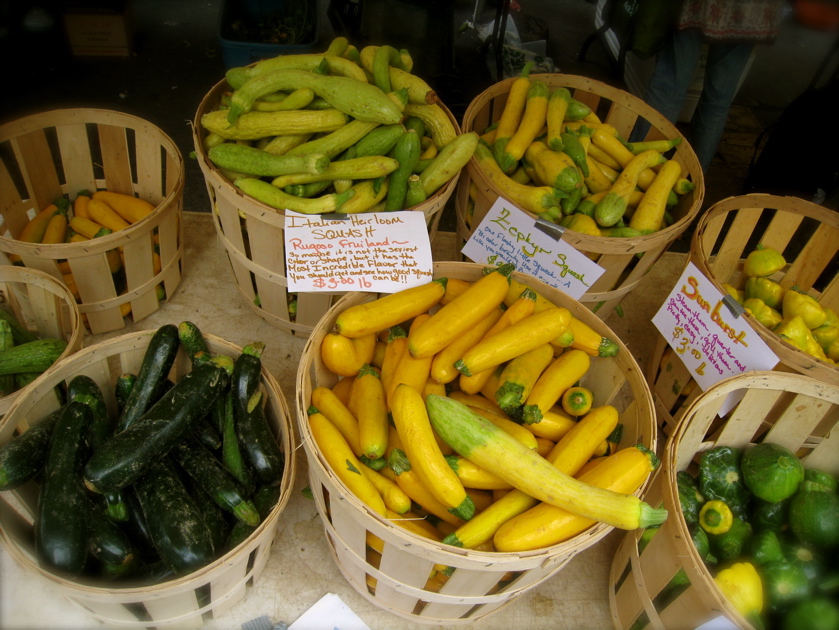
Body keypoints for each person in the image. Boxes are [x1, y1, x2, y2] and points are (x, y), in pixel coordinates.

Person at [632, 0, 787, 172]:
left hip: (701, 6)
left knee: (668, 86)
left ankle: (636, 170)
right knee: (718, 99)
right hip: (751, 12)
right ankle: (693, 179)